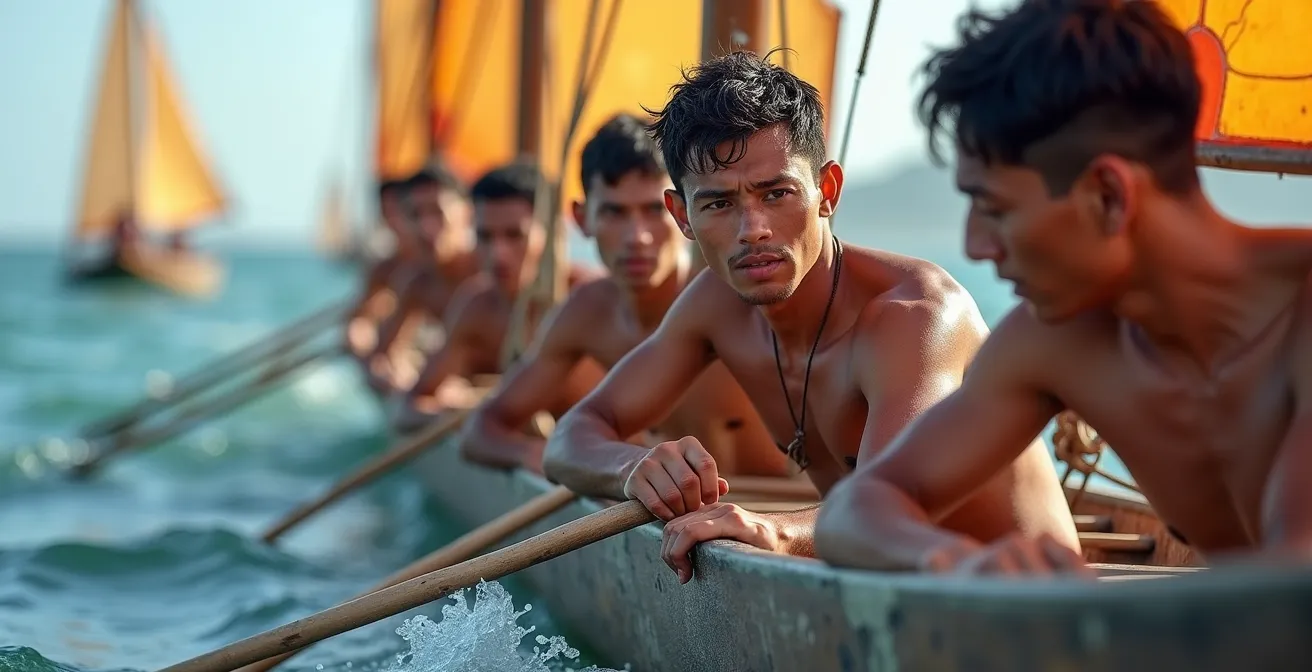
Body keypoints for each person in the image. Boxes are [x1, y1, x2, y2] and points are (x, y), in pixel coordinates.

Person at [542, 51, 1079, 584]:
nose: (752, 228)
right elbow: (572, 437)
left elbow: (887, 513)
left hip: (1026, 603)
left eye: (776, 193)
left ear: (828, 191)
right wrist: (632, 469)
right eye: (718, 204)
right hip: (878, 592)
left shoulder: (914, 316)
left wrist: (776, 531)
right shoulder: (714, 303)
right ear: (682, 215)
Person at [814, 0, 1312, 575]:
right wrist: (954, 561)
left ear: (1108, 195)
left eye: (994, 209)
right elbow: (854, 509)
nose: (976, 245)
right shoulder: (1056, 341)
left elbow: (1291, 581)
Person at [457, 113, 792, 478]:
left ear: (683, 213)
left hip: (769, 521)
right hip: (659, 519)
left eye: (653, 211)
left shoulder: (744, 301)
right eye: (615, 213)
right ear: (582, 219)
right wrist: (534, 453)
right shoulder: (586, 312)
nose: (637, 238)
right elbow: (481, 429)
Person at [392, 160, 603, 433]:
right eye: (485, 237)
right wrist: (466, 414)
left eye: (515, 235)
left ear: (554, 232)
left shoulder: (594, 299)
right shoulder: (477, 305)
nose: (498, 254)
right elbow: (411, 406)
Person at [364, 163, 481, 396]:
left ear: (467, 212)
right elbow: (380, 356)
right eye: (416, 215)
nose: (427, 228)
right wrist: (397, 376)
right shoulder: (418, 282)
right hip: (455, 399)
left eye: (437, 213)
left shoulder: (493, 273)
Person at [344, 178, 425, 392]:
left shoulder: (439, 267)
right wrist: (359, 337)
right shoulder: (384, 269)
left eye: (399, 211)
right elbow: (359, 319)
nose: (394, 220)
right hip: (407, 356)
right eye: (387, 212)